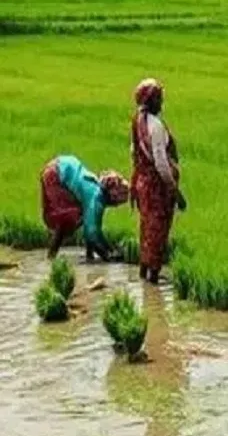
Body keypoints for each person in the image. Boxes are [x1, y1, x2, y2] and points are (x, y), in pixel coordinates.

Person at [130, 78, 186, 285]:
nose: (162, 103)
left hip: (143, 184)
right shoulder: (155, 126)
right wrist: (175, 192)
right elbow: (161, 163)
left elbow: (133, 152)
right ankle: (153, 277)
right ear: (151, 101)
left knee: (146, 227)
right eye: (159, 98)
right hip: (157, 187)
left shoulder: (138, 120)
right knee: (158, 230)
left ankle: (143, 272)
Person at [39, 154, 129, 261]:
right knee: (68, 218)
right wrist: (108, 256)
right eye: (119, 201)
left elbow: (91, 224)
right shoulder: (96, 198)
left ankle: (87, 256)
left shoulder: (96, 192)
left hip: (61, 166)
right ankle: (51, 257)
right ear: (113, 196)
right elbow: (92, 233)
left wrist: (107, 250)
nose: (117, 205)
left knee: (83, 216)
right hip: (56, 174)